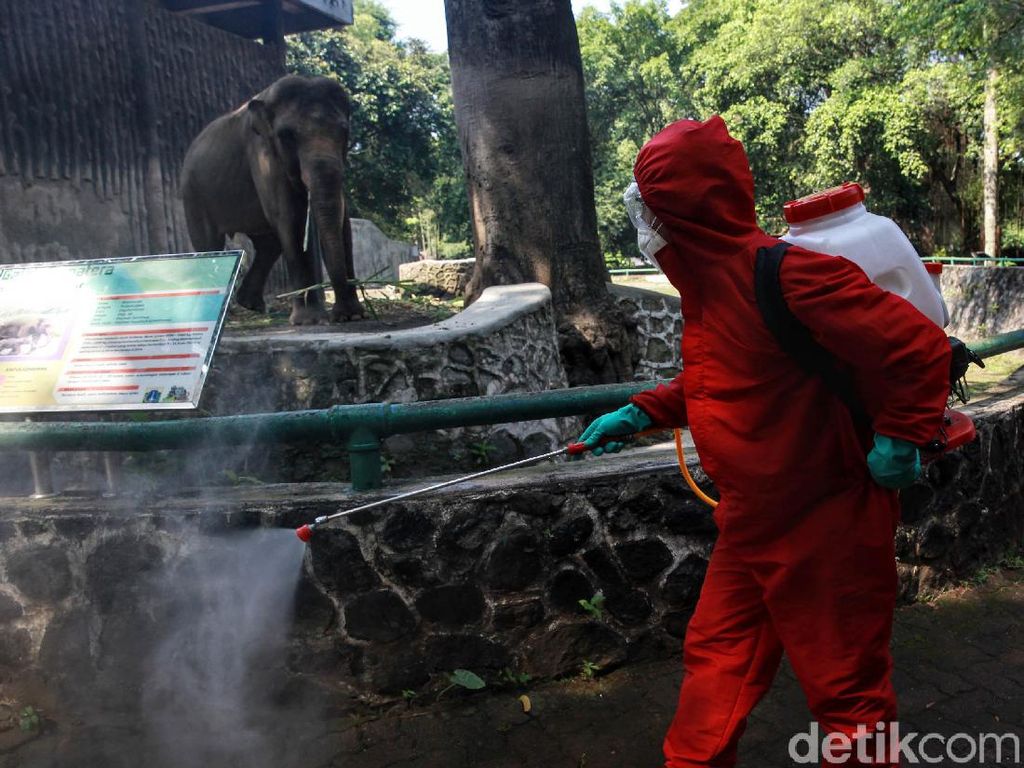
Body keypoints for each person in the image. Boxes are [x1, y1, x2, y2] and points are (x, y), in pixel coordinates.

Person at [577, 117, 951, 767]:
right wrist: (641, 413)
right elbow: (725, 377)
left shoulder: (791, 275)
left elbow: (919, 347)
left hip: (827, 519)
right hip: (752, 521)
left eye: (650, 207)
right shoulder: (711, 289)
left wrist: (900, 435)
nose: (644, 226)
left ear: (683, 210)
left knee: (847, 691)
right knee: (718, 658)